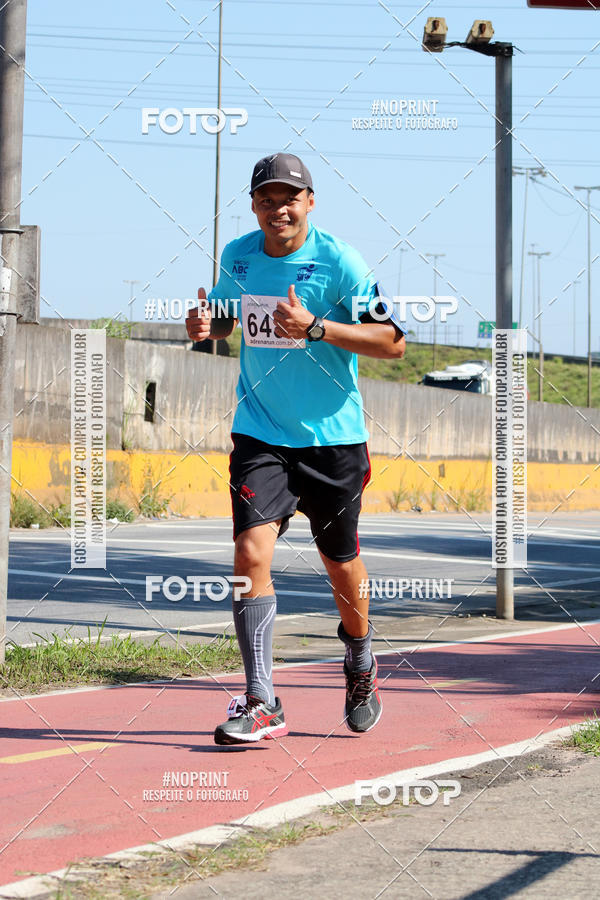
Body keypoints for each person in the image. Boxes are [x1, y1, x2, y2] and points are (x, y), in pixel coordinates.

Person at [186, 152, 405, 745]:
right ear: (253, 204)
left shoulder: (340, 262)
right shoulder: (239, 255)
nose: (278, 207)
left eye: (290, 197)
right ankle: (262, 700)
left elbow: (392, 343)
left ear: (309, 202)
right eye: (266, 198)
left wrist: (316, 328)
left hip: (332, 439)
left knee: (340, 563)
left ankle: (359, 657)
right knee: (250, 554)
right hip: (261, 433)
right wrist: (210, 326)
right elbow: (232, 318)